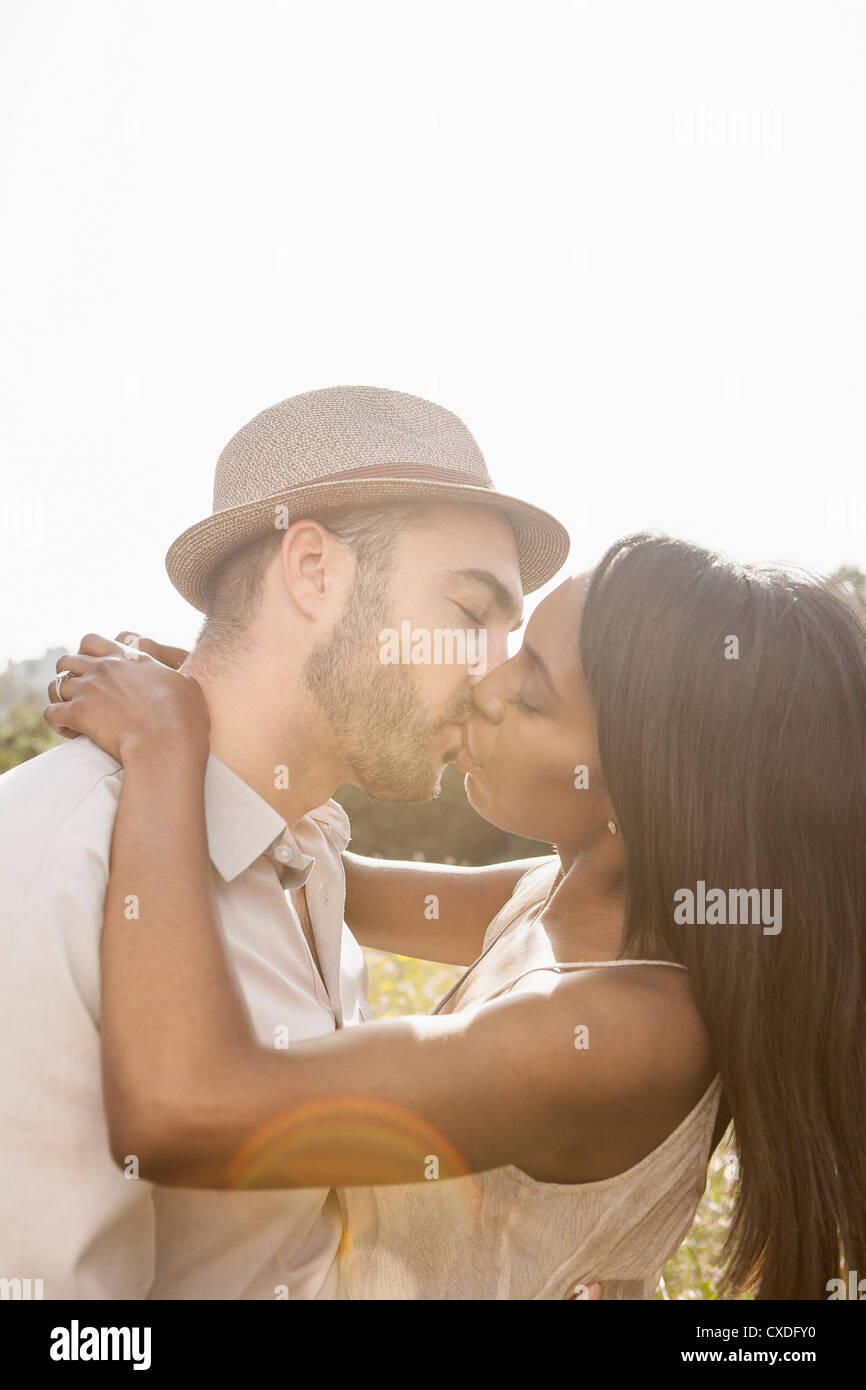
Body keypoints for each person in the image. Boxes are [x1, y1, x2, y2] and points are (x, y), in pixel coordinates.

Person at [46, 532, 866, 1298]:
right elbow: (326, 876)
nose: (486, 686)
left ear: (648, 787)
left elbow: (183, 1113)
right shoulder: (554, 896)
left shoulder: (615, 1030)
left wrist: (162, 747)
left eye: (531, 694)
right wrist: (236, 699)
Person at [0, 385, 569, 1299]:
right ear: (312, 571)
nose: (494, 681)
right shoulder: (50, 867)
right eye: (471, 616)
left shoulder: (314, 858)